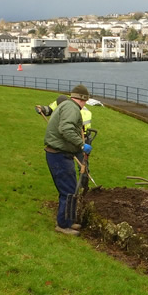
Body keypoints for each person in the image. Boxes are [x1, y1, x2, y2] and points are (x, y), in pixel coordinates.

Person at [44, 84, 93, 236]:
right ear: (83, 99)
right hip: (59, 155)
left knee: (69, 189)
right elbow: (65, 128)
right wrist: (81, 144)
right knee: (68, 191)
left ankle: (69, 221)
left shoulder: (65, 104)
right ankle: (63, 225)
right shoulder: (72, 108)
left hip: (58, 153)